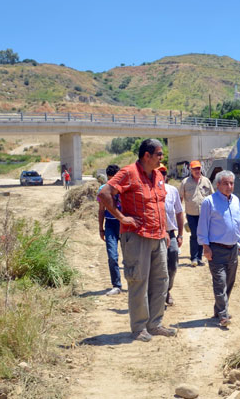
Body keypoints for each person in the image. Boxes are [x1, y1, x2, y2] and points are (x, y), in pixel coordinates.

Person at [98, 138, 176, 342]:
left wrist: (166, 230)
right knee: (138, 281)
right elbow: (104, 193)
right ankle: (139, 327)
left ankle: (155, 324)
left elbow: (159, 205)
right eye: (159, 154)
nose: (162, 157)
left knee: (161, 281)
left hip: (158, 236)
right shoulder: (128, 173)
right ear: (146, 155)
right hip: (136, 236)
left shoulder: (158, 174)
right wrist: (122, 217)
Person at [197, 170, 240, 327]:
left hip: (233, 249)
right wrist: (206, 247)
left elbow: (239, 223)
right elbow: (203, 226)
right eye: (225, 183)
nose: (229, 186)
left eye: (231, 183)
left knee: (230, 282)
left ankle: (219, 310)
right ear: (218, 185)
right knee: (220, 283)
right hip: (216, 249)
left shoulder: (236, 200)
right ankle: (224, 315)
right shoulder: (209, 202)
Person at [158, 164, 184, 306]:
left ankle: (167, 290)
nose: (162, 175)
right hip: (154, 235)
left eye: (164, 172)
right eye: (159, 172)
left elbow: (179, 213)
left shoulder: (172, 190)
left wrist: (180, 234)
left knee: (172, 263)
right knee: (157, 266)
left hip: (170, 233)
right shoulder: (149, 189)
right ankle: (158, 295)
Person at [179, 160, 214, 267]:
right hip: (191, 214)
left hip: (204, 214)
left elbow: (212, 196)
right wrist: (178, 213)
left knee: (202, 235)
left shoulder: (206, 181)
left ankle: (199, 258)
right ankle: (194, 258)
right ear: (191, 170)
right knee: (194, 235)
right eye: (195, 169)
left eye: (198, 168)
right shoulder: (185, 182)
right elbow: (180, 198)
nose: (197, 171)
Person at [97, 164, 122, 296]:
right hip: (110, 225)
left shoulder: (126, 189)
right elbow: (101, 210)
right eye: (111, 179)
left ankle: (135, 284)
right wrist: (101, 229)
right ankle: (116, 285)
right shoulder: (102, 190)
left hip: (124, 226)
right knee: (112, 256)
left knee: (131, 258)